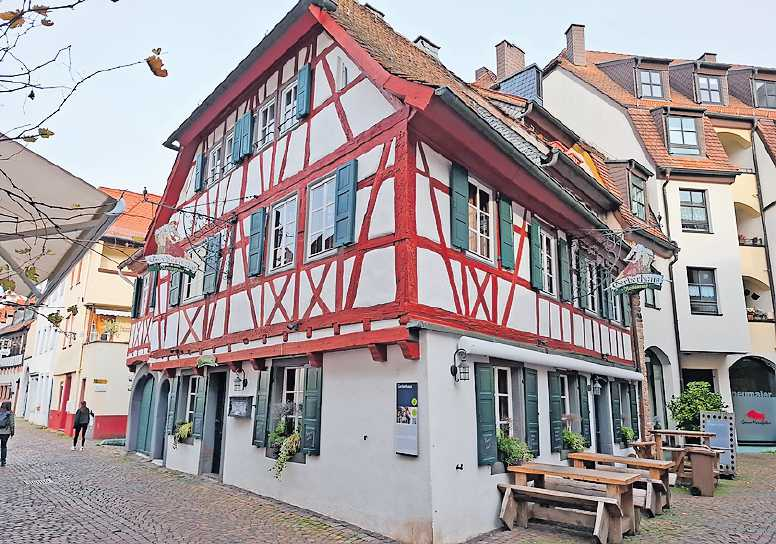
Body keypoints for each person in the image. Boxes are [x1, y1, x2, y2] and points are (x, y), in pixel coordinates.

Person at [0, 401, 14, 467]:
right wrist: (12, 432)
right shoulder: (10, 413)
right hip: (6, 432)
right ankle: (3, 461)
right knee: (3, 446)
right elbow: (12, 423)